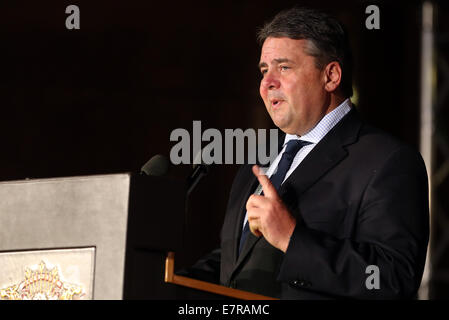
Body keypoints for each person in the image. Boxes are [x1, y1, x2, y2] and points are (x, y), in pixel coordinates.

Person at [179, 6, 429, 299]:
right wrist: (154, 281)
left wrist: (292, 239)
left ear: (331, 76)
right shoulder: (261, 158)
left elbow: (392, 278)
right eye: (264, 70)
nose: (267, 82)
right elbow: (236, 264)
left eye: (283, 67)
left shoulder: (388, 161)